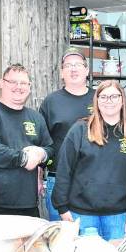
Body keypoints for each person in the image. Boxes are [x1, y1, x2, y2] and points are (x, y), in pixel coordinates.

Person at [52, 80, 126, 241]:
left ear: (122, 100)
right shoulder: (80, 130)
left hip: (119, 216)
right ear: (97, 100)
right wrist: (62, 208)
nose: (109, 101)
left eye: (114, 96)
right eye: (104, 97)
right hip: (82, 214)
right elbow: (64, 169)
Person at [0, 63, 53, 217]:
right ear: (1, 84)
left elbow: (50, 151)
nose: (18, 87)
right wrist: (23, 159)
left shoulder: (36, 117)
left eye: (23, 83)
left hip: (28, 205)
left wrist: (42, 154)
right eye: (13, 82)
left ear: (29, 87)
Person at [40, 48, 95, 221]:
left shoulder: (100, 99)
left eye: (78, 64)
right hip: (57, 181)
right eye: (68, 65)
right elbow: (41, 143)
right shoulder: (51, 102)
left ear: (86, 70)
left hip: (93, 181)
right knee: (60, 241)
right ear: (62, 73)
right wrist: (38, 178)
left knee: (90, 240)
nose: (73, 69)